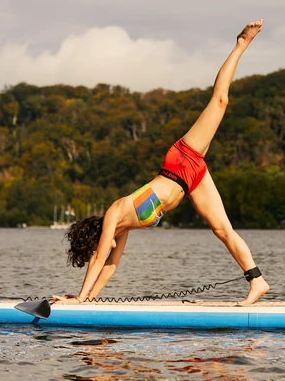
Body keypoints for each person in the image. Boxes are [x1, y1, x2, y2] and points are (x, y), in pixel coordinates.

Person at [54, 20, 270, 306]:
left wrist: (79, 298)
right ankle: (257, 281)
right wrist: (89, 299)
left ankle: (241, 44)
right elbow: (109, 266)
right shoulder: (125, 228)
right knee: (222, 230)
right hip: (191, 180)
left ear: (95, 237)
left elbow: (99, 258)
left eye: (96, 245)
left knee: (219, 102)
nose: (104, 248)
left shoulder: (114, 215)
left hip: (180, 161)